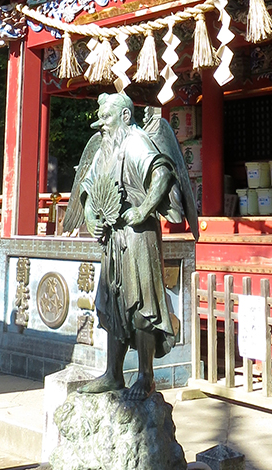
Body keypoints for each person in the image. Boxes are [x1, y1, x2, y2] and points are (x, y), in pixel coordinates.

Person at [77, 92, 194, 400]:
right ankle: (113, 374)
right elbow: (88, 187)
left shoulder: (136, 140)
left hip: (138, 235)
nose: (101, 124)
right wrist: (90, 216)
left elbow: (162, 174)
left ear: (125, 116)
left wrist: (143, 211)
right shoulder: (105, 148)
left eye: (106, 117)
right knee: (113, 300)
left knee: (141, 302)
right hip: (112, 238)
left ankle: (145, 375)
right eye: (100, 117)